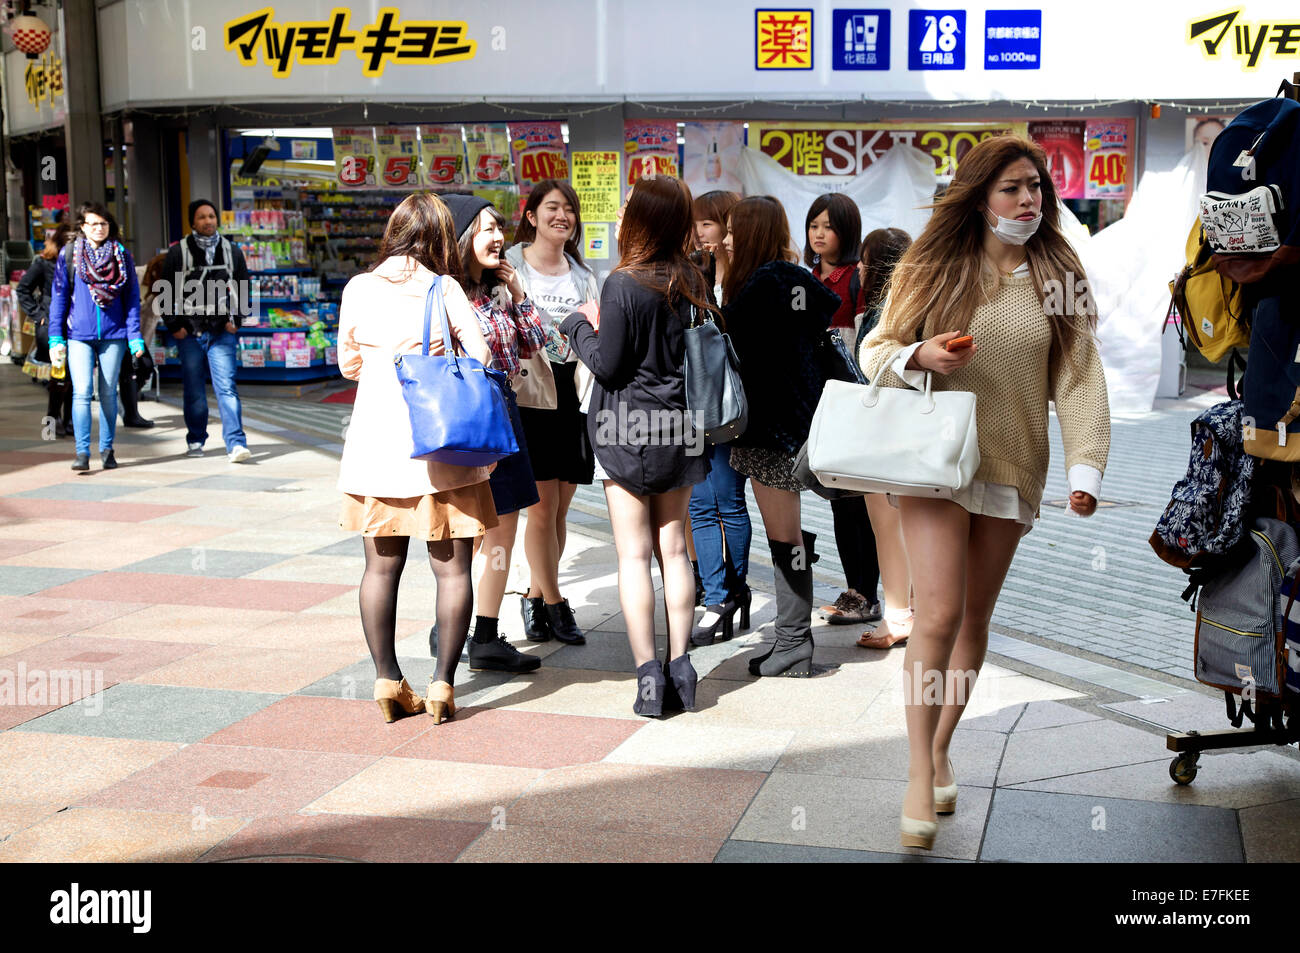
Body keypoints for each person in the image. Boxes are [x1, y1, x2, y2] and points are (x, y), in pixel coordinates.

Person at [859, 135, 1110, 850]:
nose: (1028, 199)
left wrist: (1084, 467)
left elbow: (1080, 374)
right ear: (978, 197)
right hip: (937, 463)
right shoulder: (933, 264)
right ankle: (915, 768)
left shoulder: (1061, 270)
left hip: (1013, 465)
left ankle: (941, 746)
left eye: (1035, 186)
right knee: (936, 612)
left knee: (972, 621)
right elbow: (873, 348)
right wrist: (918, 355)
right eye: (1011, 188)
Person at [336, 192, 499, 726]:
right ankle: (443, 685)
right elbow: (480, 355)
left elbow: (347, 364)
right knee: (452, 571)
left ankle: (387, 678)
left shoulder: (358, 287)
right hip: (440, 449)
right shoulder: (443, 285)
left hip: (375, 448)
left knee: (380, 568)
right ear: (437, 238)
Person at [558, 175, 711, 716]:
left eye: (628, 207)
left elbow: (608, 364)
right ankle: (683, 666)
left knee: (633, 554)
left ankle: (648, 677)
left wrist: (579, 324)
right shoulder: (694, 278)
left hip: (626, 431)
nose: (621, 214)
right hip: (682, 428)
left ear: (644, 218)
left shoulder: (622, 283)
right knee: (674, 551)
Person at [722, 195, 842, 677]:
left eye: (732, 230)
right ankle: (792, 639)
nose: (726, 239)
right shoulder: (788, 279)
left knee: (783, 535)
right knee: (785, 534)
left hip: (773, 431)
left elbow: (759, 357)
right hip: (782, 428)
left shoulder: (765, 283)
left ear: (751, 232)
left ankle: (794, 641)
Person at [445, 193, 548, 675]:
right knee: (463, 527)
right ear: (461, 235)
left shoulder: (499, 290)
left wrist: (519, 293)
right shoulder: (443, 292)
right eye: (486, 228)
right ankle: (452, 623)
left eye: (498, 227)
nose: (498, 236)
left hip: (503, 410)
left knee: (504, 524)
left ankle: (485, 632)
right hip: (463, 415)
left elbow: (537, 342)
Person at [505, 180, 598, 646]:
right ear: (533, 215)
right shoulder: (510, 265)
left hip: (571, 391)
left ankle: (535, 593)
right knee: (540, 511)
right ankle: (555, 605)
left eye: (569, 210)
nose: (562, 216)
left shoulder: (583, 274)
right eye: (552, 208)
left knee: (561, 510)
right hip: (528, 392)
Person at [805, 193, 882, 627]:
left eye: (828, 226)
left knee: (856, 505)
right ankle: (858, 590)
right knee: (838, 502)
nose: (819, 233)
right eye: (814, 225)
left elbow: (863, 346)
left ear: (846, 232)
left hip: (852, 406)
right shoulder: (808, 276)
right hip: (822, 408)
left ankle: (866, 593)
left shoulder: (856, 278)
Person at [685, 190, 752, 645]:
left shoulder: (747, 276)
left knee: (727, 500)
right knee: (698, 505)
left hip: (726, 405)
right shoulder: (691, 271)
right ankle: (716, 597)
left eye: (709, 224)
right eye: (698, 225)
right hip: (690, 405)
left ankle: (736, 587)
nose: (702, 233)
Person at [852, 227, 917, 651]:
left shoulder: (883, 309)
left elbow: (868, 367)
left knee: (886, 527)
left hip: (883, 432)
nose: (857, 267)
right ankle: (913, 610)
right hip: (911, 432)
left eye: (863, 259)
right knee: (909, 527)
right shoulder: (916, 300)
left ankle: (898, 617)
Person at [47, 202, 145, 472]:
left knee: (108, 393)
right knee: (81, 393)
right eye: (92, 224)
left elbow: (132, 300)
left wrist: (134, 335)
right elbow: (58, 299)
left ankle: (107, 448)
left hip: (114, 336)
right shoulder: (70, 255)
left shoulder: (122, 255)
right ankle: (81, 452)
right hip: (79, 335)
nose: (98, 228)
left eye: (103, 223)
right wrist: (56, 338)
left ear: (109, 226)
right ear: (82, 227)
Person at [158, 199, 252, 463]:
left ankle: (236, 443)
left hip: (222, 331)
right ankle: (196, 438)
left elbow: (244, 284)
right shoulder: (179, 252)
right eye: (201, 217)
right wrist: (174, 325)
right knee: (194, 389)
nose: (208, 221)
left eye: (211, 216)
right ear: (192, 222)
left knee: (227, 387)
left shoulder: (231, 250)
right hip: (189, 332)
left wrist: (238, 321)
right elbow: (165, 288)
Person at [18, 223, 74, 436]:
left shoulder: (82, 264)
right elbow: (23, 289)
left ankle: (69, 420)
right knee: (60, 374)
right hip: (52, 327)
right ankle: (54, 419)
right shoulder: (44, 262)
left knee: (72, 375)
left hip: (76, 327)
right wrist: (38, 315)